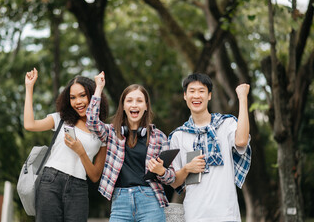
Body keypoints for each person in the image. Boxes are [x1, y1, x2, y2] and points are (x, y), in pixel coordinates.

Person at [86, 71, 175, 222]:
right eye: (129, 101)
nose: (134, 105)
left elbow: (171, 177)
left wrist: (161, 171)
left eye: (139, 101)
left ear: (146, 106)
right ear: (123, 106)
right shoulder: (112, 133)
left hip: (150, 201)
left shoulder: (159, 136)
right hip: (120, 202)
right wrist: (99, 88)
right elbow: (92, 122)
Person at [24, 68, 109, 222]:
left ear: (92, 95)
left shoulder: (102, 132)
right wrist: (29, 87)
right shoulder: (60, 119)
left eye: (83, 95)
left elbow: (95, 175)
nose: (78, 102)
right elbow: (30, 124)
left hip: (79, 187)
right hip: (50, 182)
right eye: (72, 97)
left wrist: (81, 152)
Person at [169, 73, 251, 222]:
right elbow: (175, 181)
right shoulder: (178, 136)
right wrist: (187, 168)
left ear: (209, 96)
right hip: (194, 215)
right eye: (192, 91)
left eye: (201, 91)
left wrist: (243, 98)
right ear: (185, 96)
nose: (196, 95)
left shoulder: (226, 124)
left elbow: (242, 140)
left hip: (227, 214)